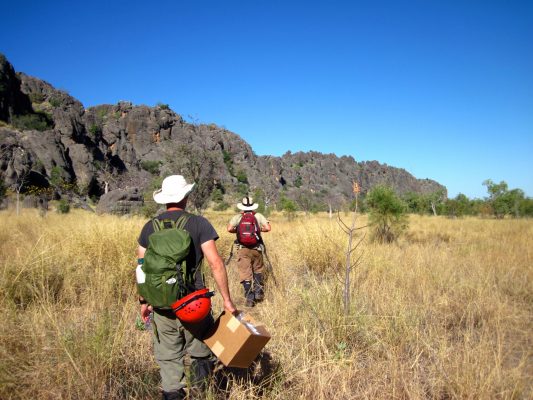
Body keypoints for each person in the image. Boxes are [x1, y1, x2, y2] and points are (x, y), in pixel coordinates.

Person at [137, 175, 236, 400]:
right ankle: (202, 394)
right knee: (201, 355)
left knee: (169, 359)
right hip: (194, 304)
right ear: (186, 197)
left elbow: (141, 268)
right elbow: (215, 263)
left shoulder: (149, 227)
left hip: (161, 305)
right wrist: (228, 301)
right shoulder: (199, 223)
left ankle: (173, 394)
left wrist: (144, 301)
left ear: (164, 200)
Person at [226, 196, 271, 307]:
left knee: (245, 272)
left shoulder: (238, 217)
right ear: (253, 206)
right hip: (257, 248)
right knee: (258, 269)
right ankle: (258, 292)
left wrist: (239, 231)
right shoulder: (258, 216)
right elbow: (268, 228)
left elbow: (229, 229)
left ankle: (249, 298)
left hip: (242, 249)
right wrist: (258, 230)